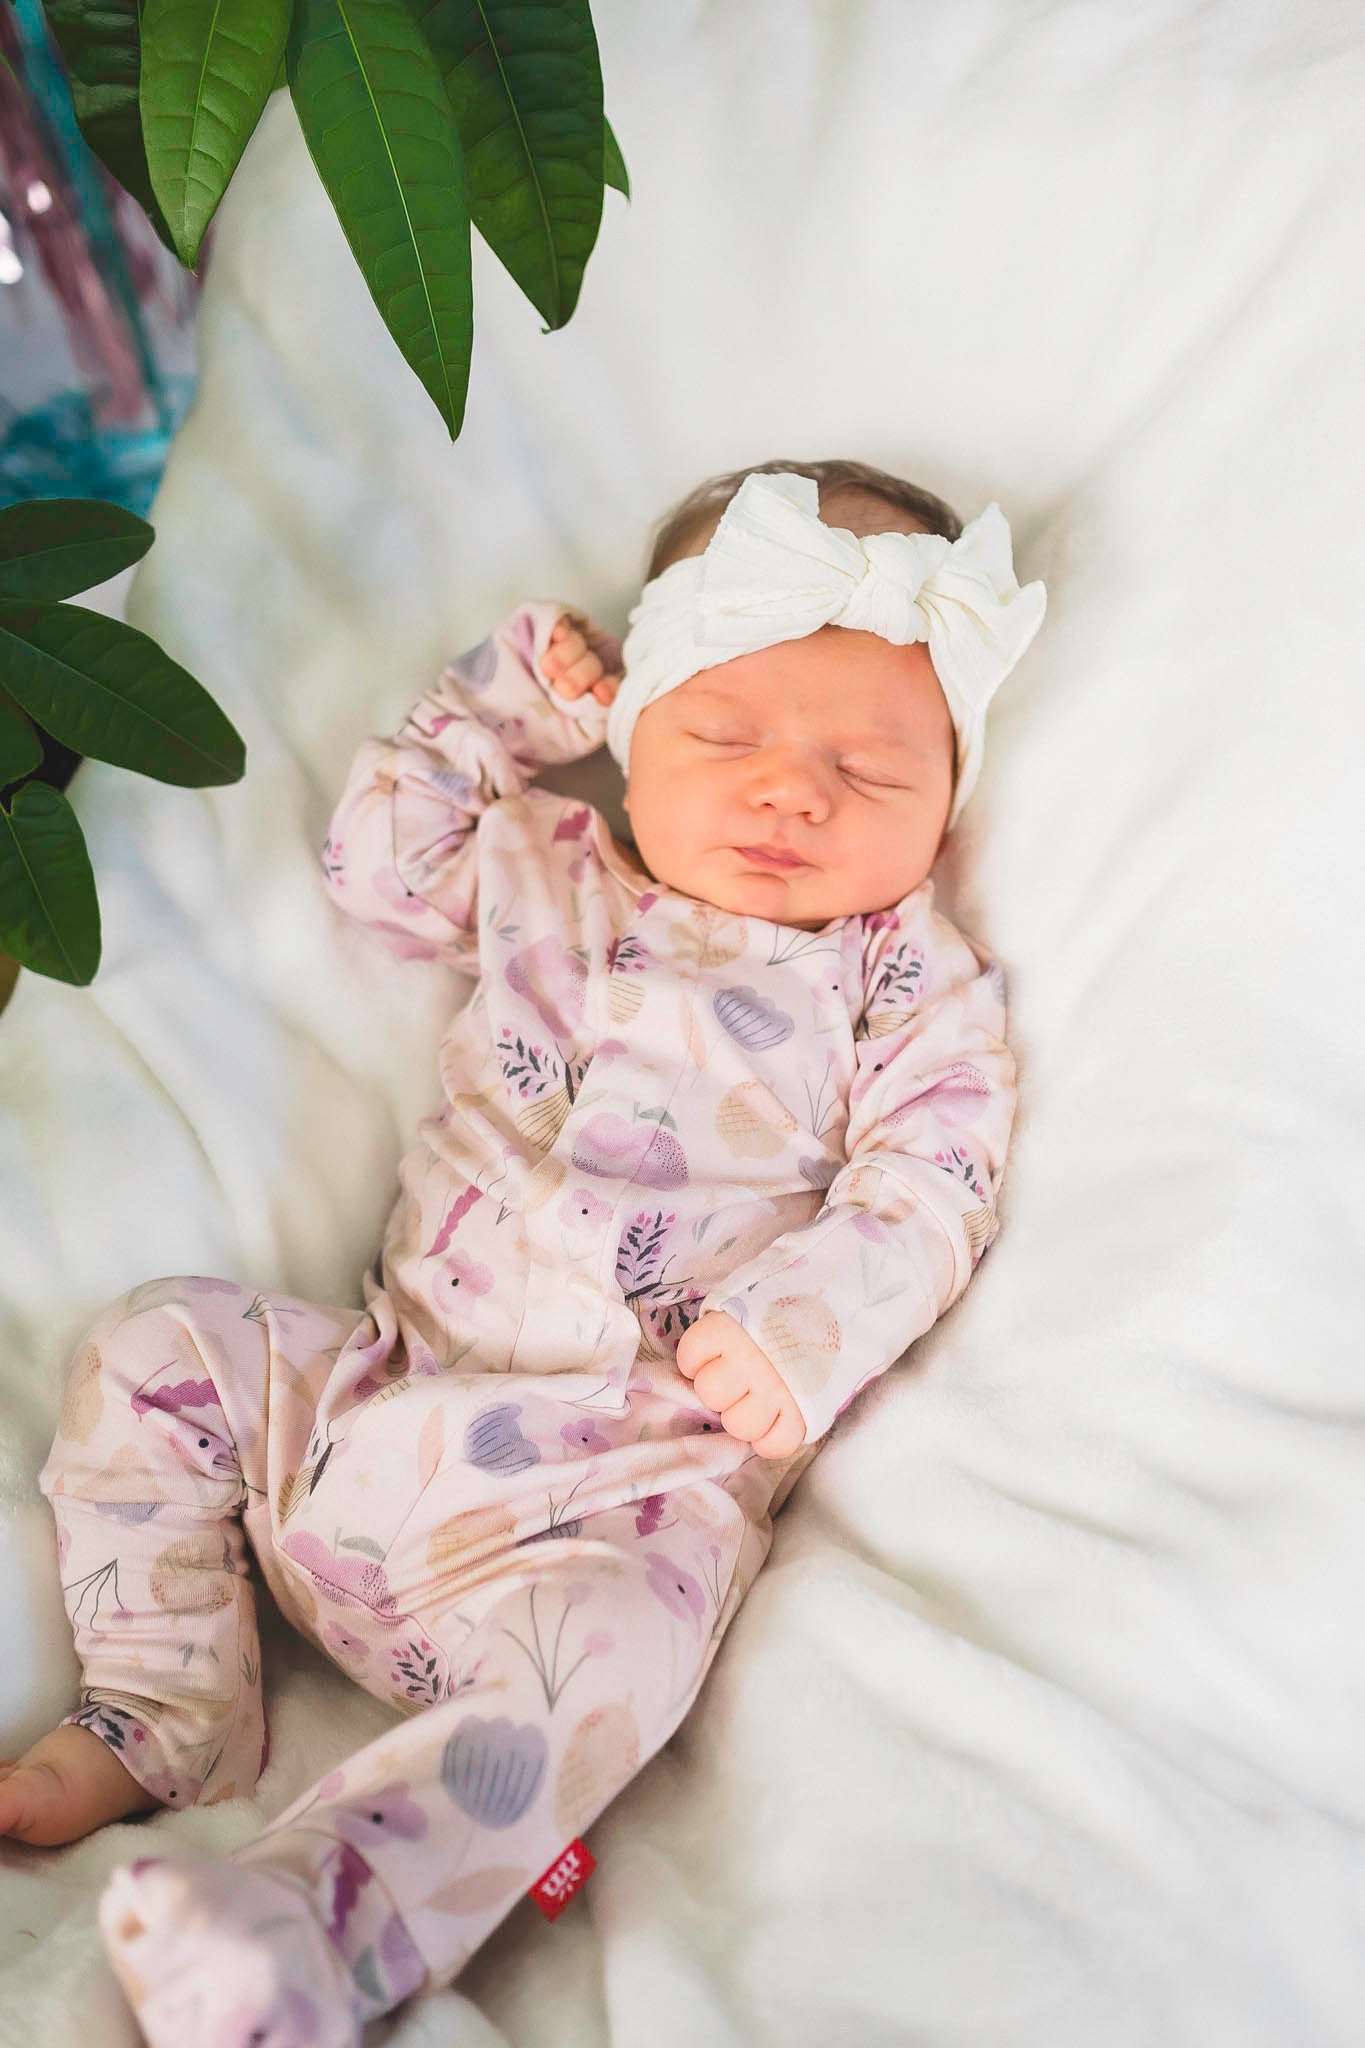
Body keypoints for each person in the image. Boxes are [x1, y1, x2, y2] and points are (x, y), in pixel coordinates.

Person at [2, 458, 1043, 2046]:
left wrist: (806, 1322)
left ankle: (306, 1929)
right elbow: (375, 864)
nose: (789, 793)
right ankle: (166, 1706)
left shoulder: (903, 980)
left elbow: (934, 1180)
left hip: (613, 1505)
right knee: (158, 1348)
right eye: (726, 737)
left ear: (949, 795)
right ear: (635, 730)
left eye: (867, 767)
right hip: (369, 1404)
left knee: (610, 1670)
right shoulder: (544, 861)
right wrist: (498, 710)